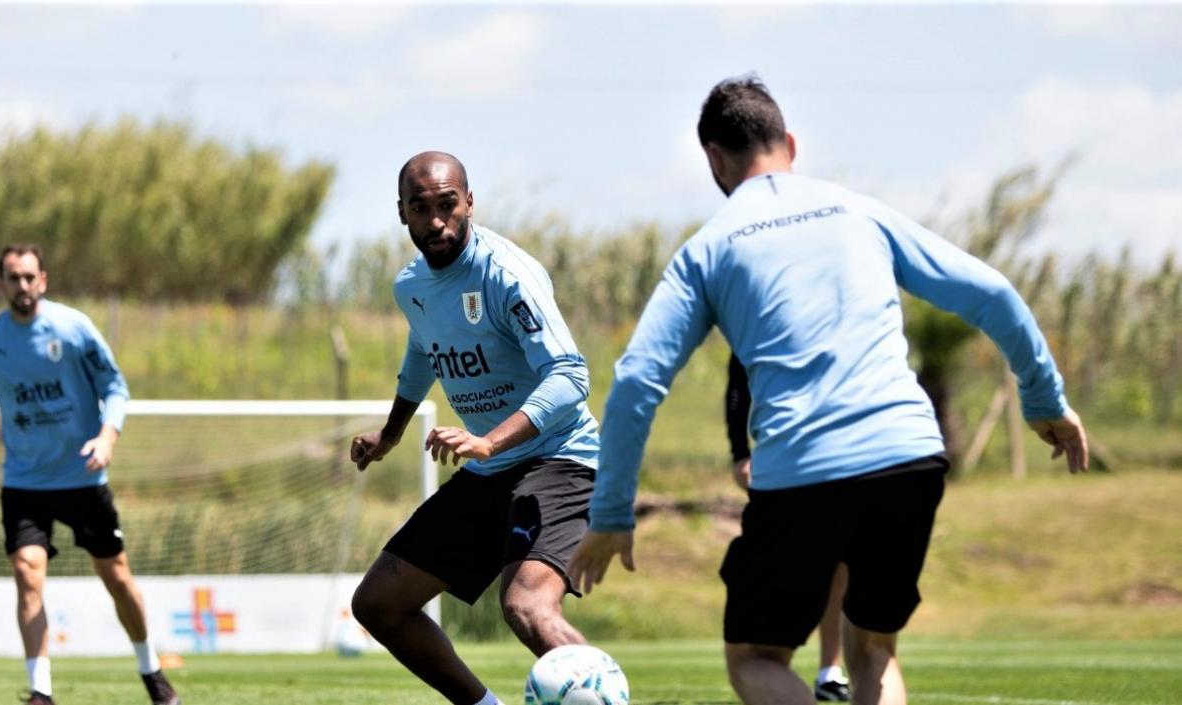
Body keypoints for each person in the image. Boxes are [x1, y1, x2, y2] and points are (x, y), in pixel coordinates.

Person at [569, 75, 1088, 705]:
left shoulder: (706, 249)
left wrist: (612, 512)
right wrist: (1044, 400)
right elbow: (993, 294)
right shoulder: (860, 212)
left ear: (714, 158)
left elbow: (636, 381)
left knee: (757, 659)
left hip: (801, 475)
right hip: (908, 455)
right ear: (789, 142)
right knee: (873, 650)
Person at [349, 151, 600, 705]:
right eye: (422, 209)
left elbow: (570, 375)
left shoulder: (506, 274)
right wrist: (391, 435)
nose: (437, 221)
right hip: (491, 469)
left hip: (560, 458)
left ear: (469, 202)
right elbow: (422, 353)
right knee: (378, 604)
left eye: (447, 205)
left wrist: (488, 440)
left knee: (528, 608)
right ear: (402, 213)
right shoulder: (412, 286)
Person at [0, 245, 179, 705]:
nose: (22, 285)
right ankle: (41, 691)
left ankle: (151, 669)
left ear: (44, 280)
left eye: (29, 277)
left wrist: (107, 438)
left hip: (83, 478)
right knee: (26, 573)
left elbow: (115, 387)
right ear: (2, 285)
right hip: (24, 482)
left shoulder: (73, 328)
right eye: (13, 278)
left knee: (117, 577)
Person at [726, 353, 851, 702]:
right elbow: (737, 380)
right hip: (783, 465)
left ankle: (830, 669)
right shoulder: (754, 308)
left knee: (842, 565)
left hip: (849, 452)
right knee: (877, 652)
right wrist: (739, 451)